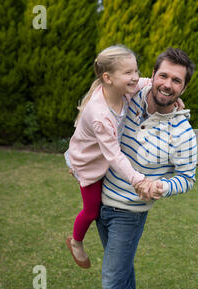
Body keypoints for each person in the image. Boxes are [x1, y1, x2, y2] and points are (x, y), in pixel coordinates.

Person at [96, 47, 197, 289]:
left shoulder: (183, 133)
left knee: (113, 284)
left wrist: (161, 186)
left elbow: (187, 178)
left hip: (129, 212)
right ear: (152, 75)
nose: (167, 84)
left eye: (176, 81)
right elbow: (107, 79)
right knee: (122, 272)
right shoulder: (130, 96)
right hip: (100, 198)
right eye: (163, 76)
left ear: (183, 89)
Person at [64, 45, 174, 269]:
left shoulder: (122, 90)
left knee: (109, 198)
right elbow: (114, 156)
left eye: (135, 70)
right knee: (92, 209)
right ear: (108, 77)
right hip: (89, 164)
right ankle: (76, 241)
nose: (135, 77)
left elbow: (146, 82)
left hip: (97, 156)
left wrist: (172, 100)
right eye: (128, 73)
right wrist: (138, 180)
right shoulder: (100, 115)